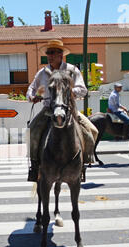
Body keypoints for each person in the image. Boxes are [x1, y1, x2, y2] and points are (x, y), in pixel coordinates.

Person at [26, 40, 99, 182]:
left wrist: (68, 92)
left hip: (69, 110)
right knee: (32, 131)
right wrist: (32, 97)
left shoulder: (72, 71)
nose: (50, 55)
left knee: (93, 132)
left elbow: (83, 90)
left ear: (61, 54)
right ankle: (35, 167)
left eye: (53, 52)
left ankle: (82, 165)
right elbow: (31, 88)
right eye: (48, 53)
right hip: (48, 110)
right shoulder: (42, 73)